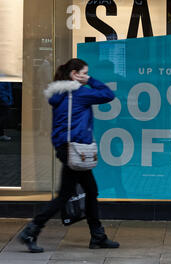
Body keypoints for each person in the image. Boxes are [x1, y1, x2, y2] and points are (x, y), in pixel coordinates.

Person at [19, 58, 120, 253]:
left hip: (66, 148)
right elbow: (108, 95)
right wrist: (91, 80)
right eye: (84, 72)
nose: (86, 75)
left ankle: (98, 236)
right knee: (66, 195)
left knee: (90, 190)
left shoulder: (59, 94)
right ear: (74, 74)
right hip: (76, 150)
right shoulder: (79, 93)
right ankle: (31, 231)